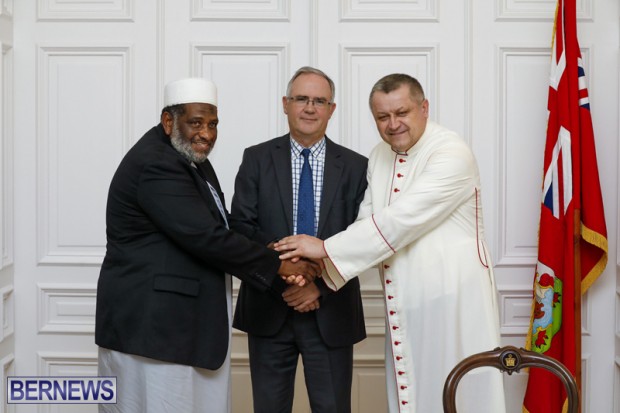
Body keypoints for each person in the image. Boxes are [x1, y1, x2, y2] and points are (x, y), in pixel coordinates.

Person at [276, 73, 506, 413]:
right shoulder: (379, 155)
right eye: (382, 116)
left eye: (402, 113)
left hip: (454, 300)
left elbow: (401, 220)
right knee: (413, 395)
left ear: (424, 108)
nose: (393, 124)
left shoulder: (452, 153)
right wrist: (318, 280)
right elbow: (365, 222)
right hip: (406, 302)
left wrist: (323, 249)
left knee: (459, 394)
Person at [95, 77, 320, 413]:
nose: (206, 134)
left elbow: (222, 223)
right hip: (154, 332)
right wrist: (281, 265)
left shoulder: (188, 158)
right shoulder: (157, 163)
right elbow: (206, 237)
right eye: (196, 123)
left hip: (179, 331)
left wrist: (280, 250)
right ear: (169, 121)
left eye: (213, 124)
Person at [229, 66, 368, 413]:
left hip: (331, 310)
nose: (309, 108)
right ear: (285, 104)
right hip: (268, 307)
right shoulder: (256, 158)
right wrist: (287, 272)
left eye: (319, 101)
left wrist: (317, 285)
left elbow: (363, 237)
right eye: (301, 98)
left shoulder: (357, 167)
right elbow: (241, 227)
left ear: (332, 109)